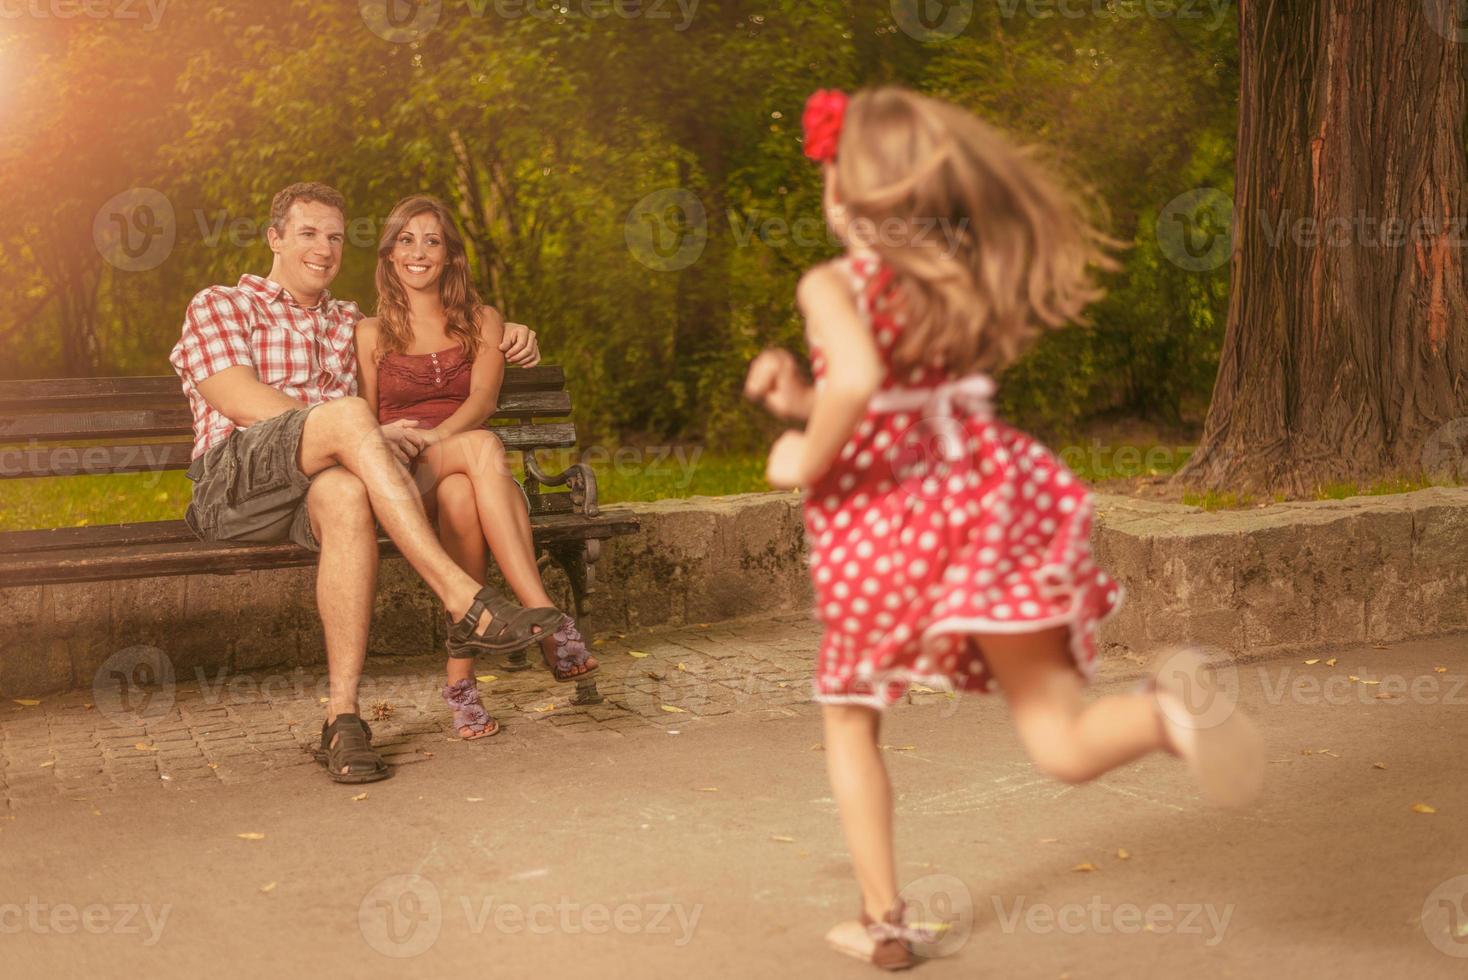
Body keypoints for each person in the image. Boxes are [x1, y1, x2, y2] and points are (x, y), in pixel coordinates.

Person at [744, 88, 1264, 971]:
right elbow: (898, 394)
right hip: (989, 507)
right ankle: (1169, 720)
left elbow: (863, 377)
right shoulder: (954, 281)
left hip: (889, 534)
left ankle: (886, 924)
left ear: (845, 189)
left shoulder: (829, 282)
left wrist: (802, 447)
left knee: (849, 719)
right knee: (1059, 737)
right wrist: (799, 394)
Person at [170, 181, 559, 784]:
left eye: (334, 237)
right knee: (351, 415)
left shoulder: (348, 321)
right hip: (234, 483)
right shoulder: (222, 304)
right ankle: (463, 599)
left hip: (316, 487)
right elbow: (237, 399)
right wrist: (348, 429)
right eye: (307, 233)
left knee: (348, 492)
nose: (323, 248)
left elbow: (431, 325)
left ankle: (342, 716)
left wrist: (513, 331)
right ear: (274, 238)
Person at [353, 194, 598, 742]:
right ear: (391, 254)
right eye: (406, 240)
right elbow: (366, 420)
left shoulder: (482, 320)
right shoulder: (370, 332)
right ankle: (545, 617)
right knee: (484, 449)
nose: (418, 252)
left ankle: (461, 687)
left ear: (450, 256)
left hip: (466, 469)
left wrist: (442, 439)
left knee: (467, 488)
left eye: (432, 241)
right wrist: (424, 444)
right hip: (404, 475)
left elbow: (483, 398)